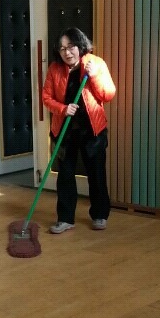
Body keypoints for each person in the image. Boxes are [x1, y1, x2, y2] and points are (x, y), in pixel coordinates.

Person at [42, 26, 116, 233]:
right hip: (64, 130)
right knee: (65, 175)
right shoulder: (55, 69)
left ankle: (100, 215)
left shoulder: (96, 63)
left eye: (71, 46)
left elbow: (108, 94)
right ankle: (65, 218)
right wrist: (63, 108)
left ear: (80, 45)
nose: (67, 52)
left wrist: (94, 76)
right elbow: (46, 98)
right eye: (62, 48)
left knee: (96, 174)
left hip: (93, 130)